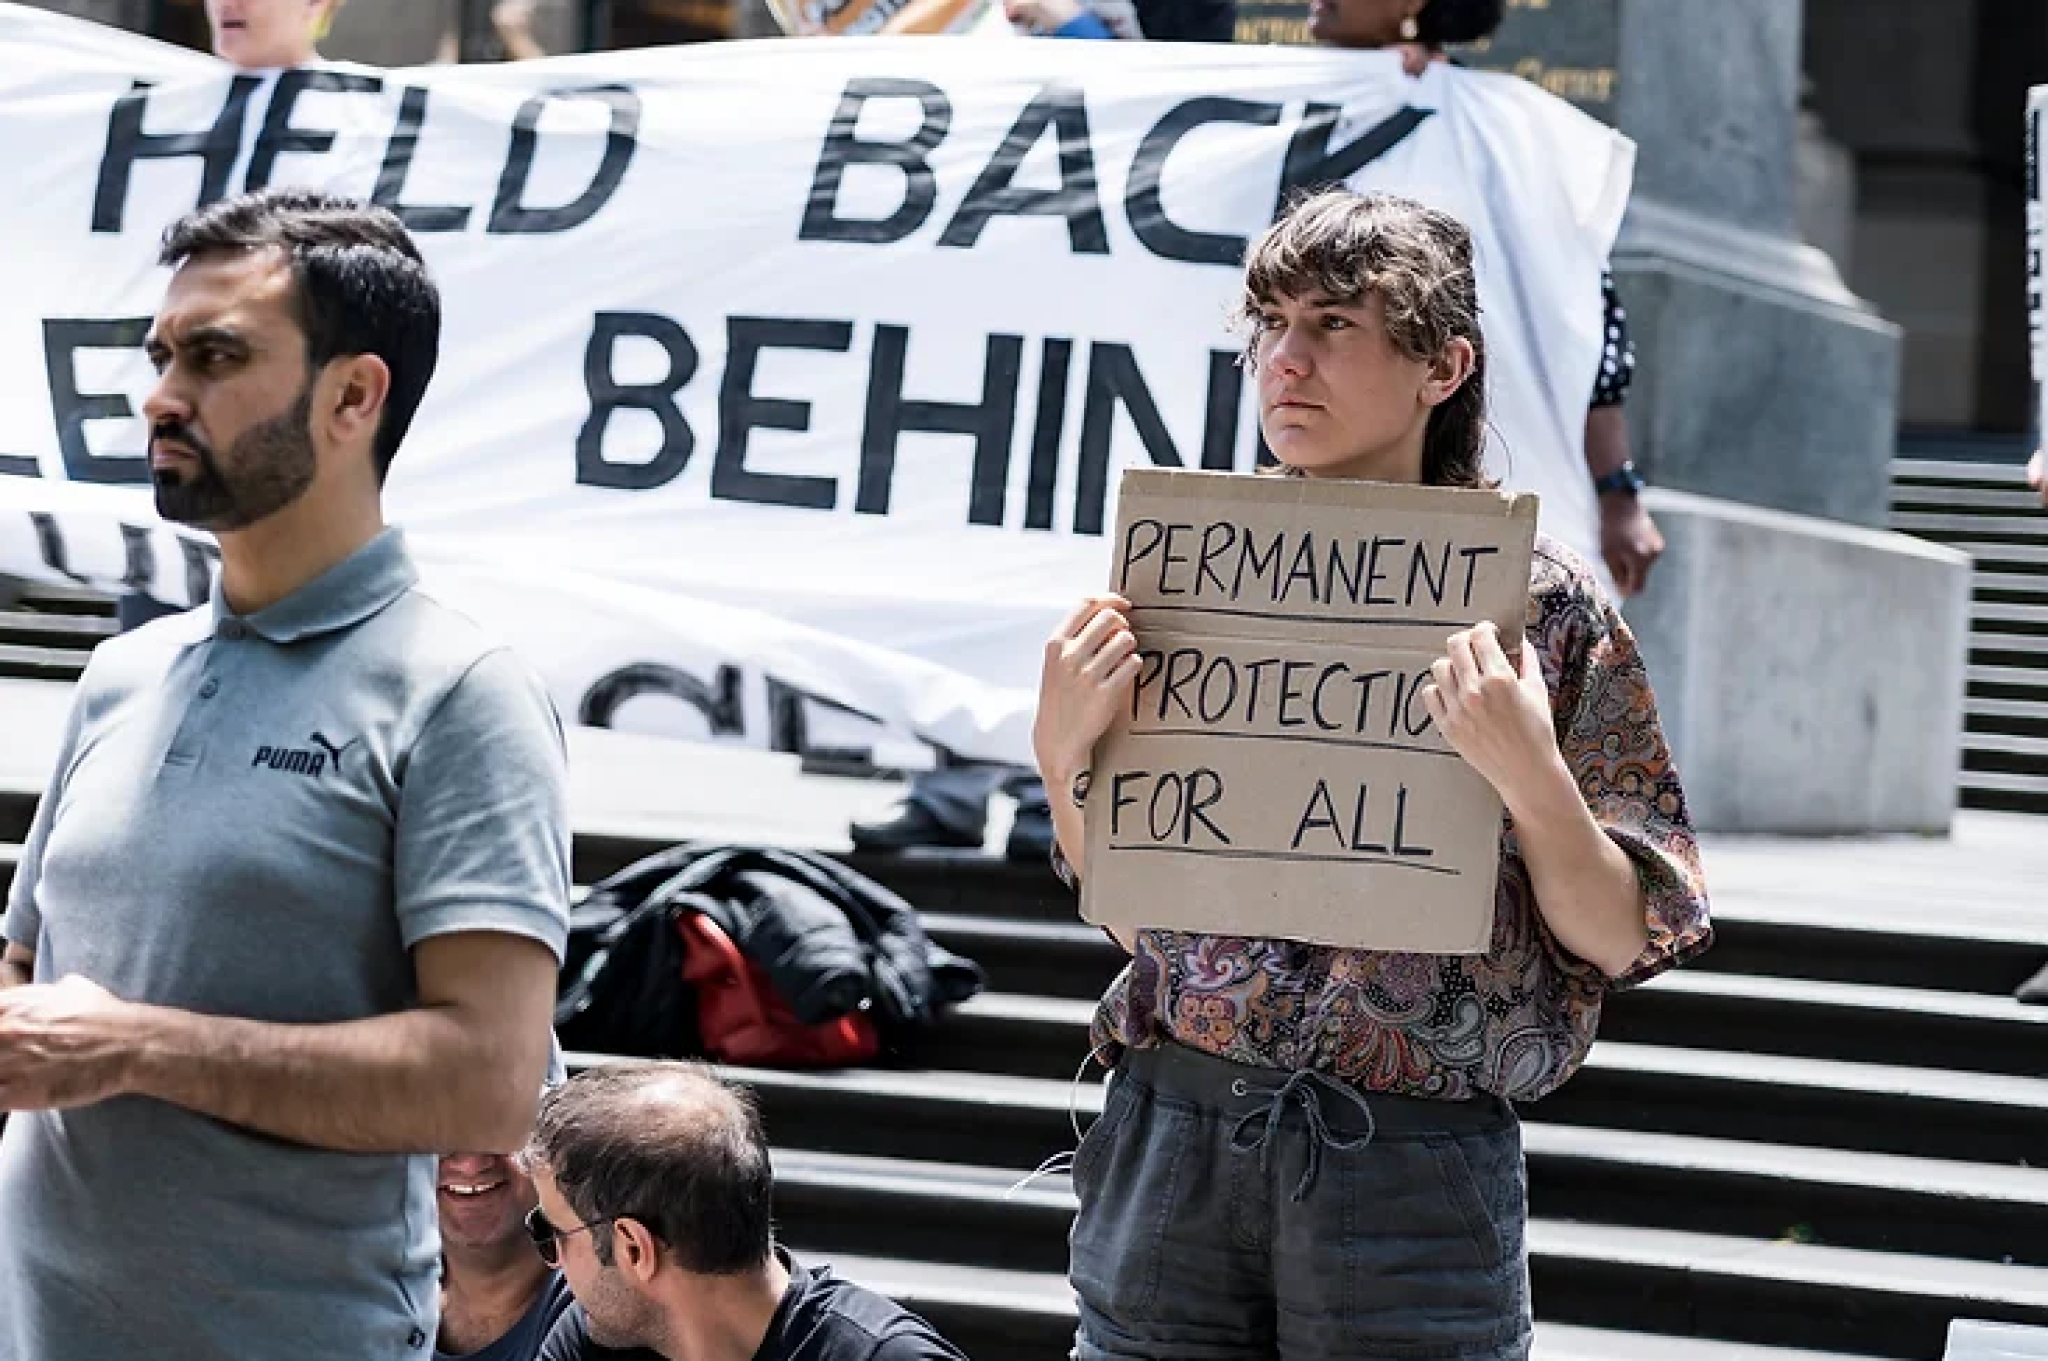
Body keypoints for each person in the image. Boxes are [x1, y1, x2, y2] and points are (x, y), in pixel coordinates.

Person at [1034, 191, 1712, 1360]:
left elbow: (1616, 935)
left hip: (1406, 1175)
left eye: (1334, 324)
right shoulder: (1190, 570)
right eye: (1268, 324)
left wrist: (1533, 775)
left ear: (1440, 364)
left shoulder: (1539, 607)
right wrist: (1061, 758)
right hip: (1171, 1139)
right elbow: (1136, 910)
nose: (1284, 362)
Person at [0, 188, 571, 1359]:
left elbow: (491, 1082)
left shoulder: (462, 689)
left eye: (216, 358)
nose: (163, 395)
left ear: (354, 395)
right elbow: (27, 979)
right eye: (162, 355)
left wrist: (133, 1046)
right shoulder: (120, 671)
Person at [1308, 0, 1668, 602]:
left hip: (1487, 477)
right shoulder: (1241, 111)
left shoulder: (1506, 132)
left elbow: (1586, 321)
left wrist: (1618, 490)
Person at [525, 1062, 971, 1361]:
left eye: (552, 1232)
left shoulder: (885, 1356)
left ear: (635, 1249)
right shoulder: (596, 1338)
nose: (555, 1261)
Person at [439, 1151, 576, 1361]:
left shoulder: (598, 1306)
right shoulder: (380, 1299)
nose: (470, 1165)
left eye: (502, 1135)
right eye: (445, 1138)